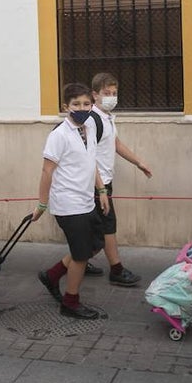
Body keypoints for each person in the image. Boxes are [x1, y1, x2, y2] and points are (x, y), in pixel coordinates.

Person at [34, 83, 110, 320]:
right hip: (68, 203)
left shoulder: (90, 127)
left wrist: (101, 189)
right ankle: (70, 302)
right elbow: (47, 171)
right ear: (66, 106)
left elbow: (91, 160)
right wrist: (42, 204)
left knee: (95, 244)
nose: (82, 108)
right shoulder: (59, 135)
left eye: (86, 104)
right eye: (76, 104)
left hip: (87, 201)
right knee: (81, 256)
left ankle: (52, 275)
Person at [70, 72, 152, 285]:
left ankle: (80, 261)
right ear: (95, 94)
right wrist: (101, 188)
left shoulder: (107, 118)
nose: (112, 97)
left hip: (104, 181)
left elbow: (115, 144)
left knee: (93, 228)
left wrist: (138, 162)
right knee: (107, 226)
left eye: (114, 93)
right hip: (96, 183)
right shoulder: (92, 120)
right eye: (107, 93)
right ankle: (116, 269)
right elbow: (87, 155)